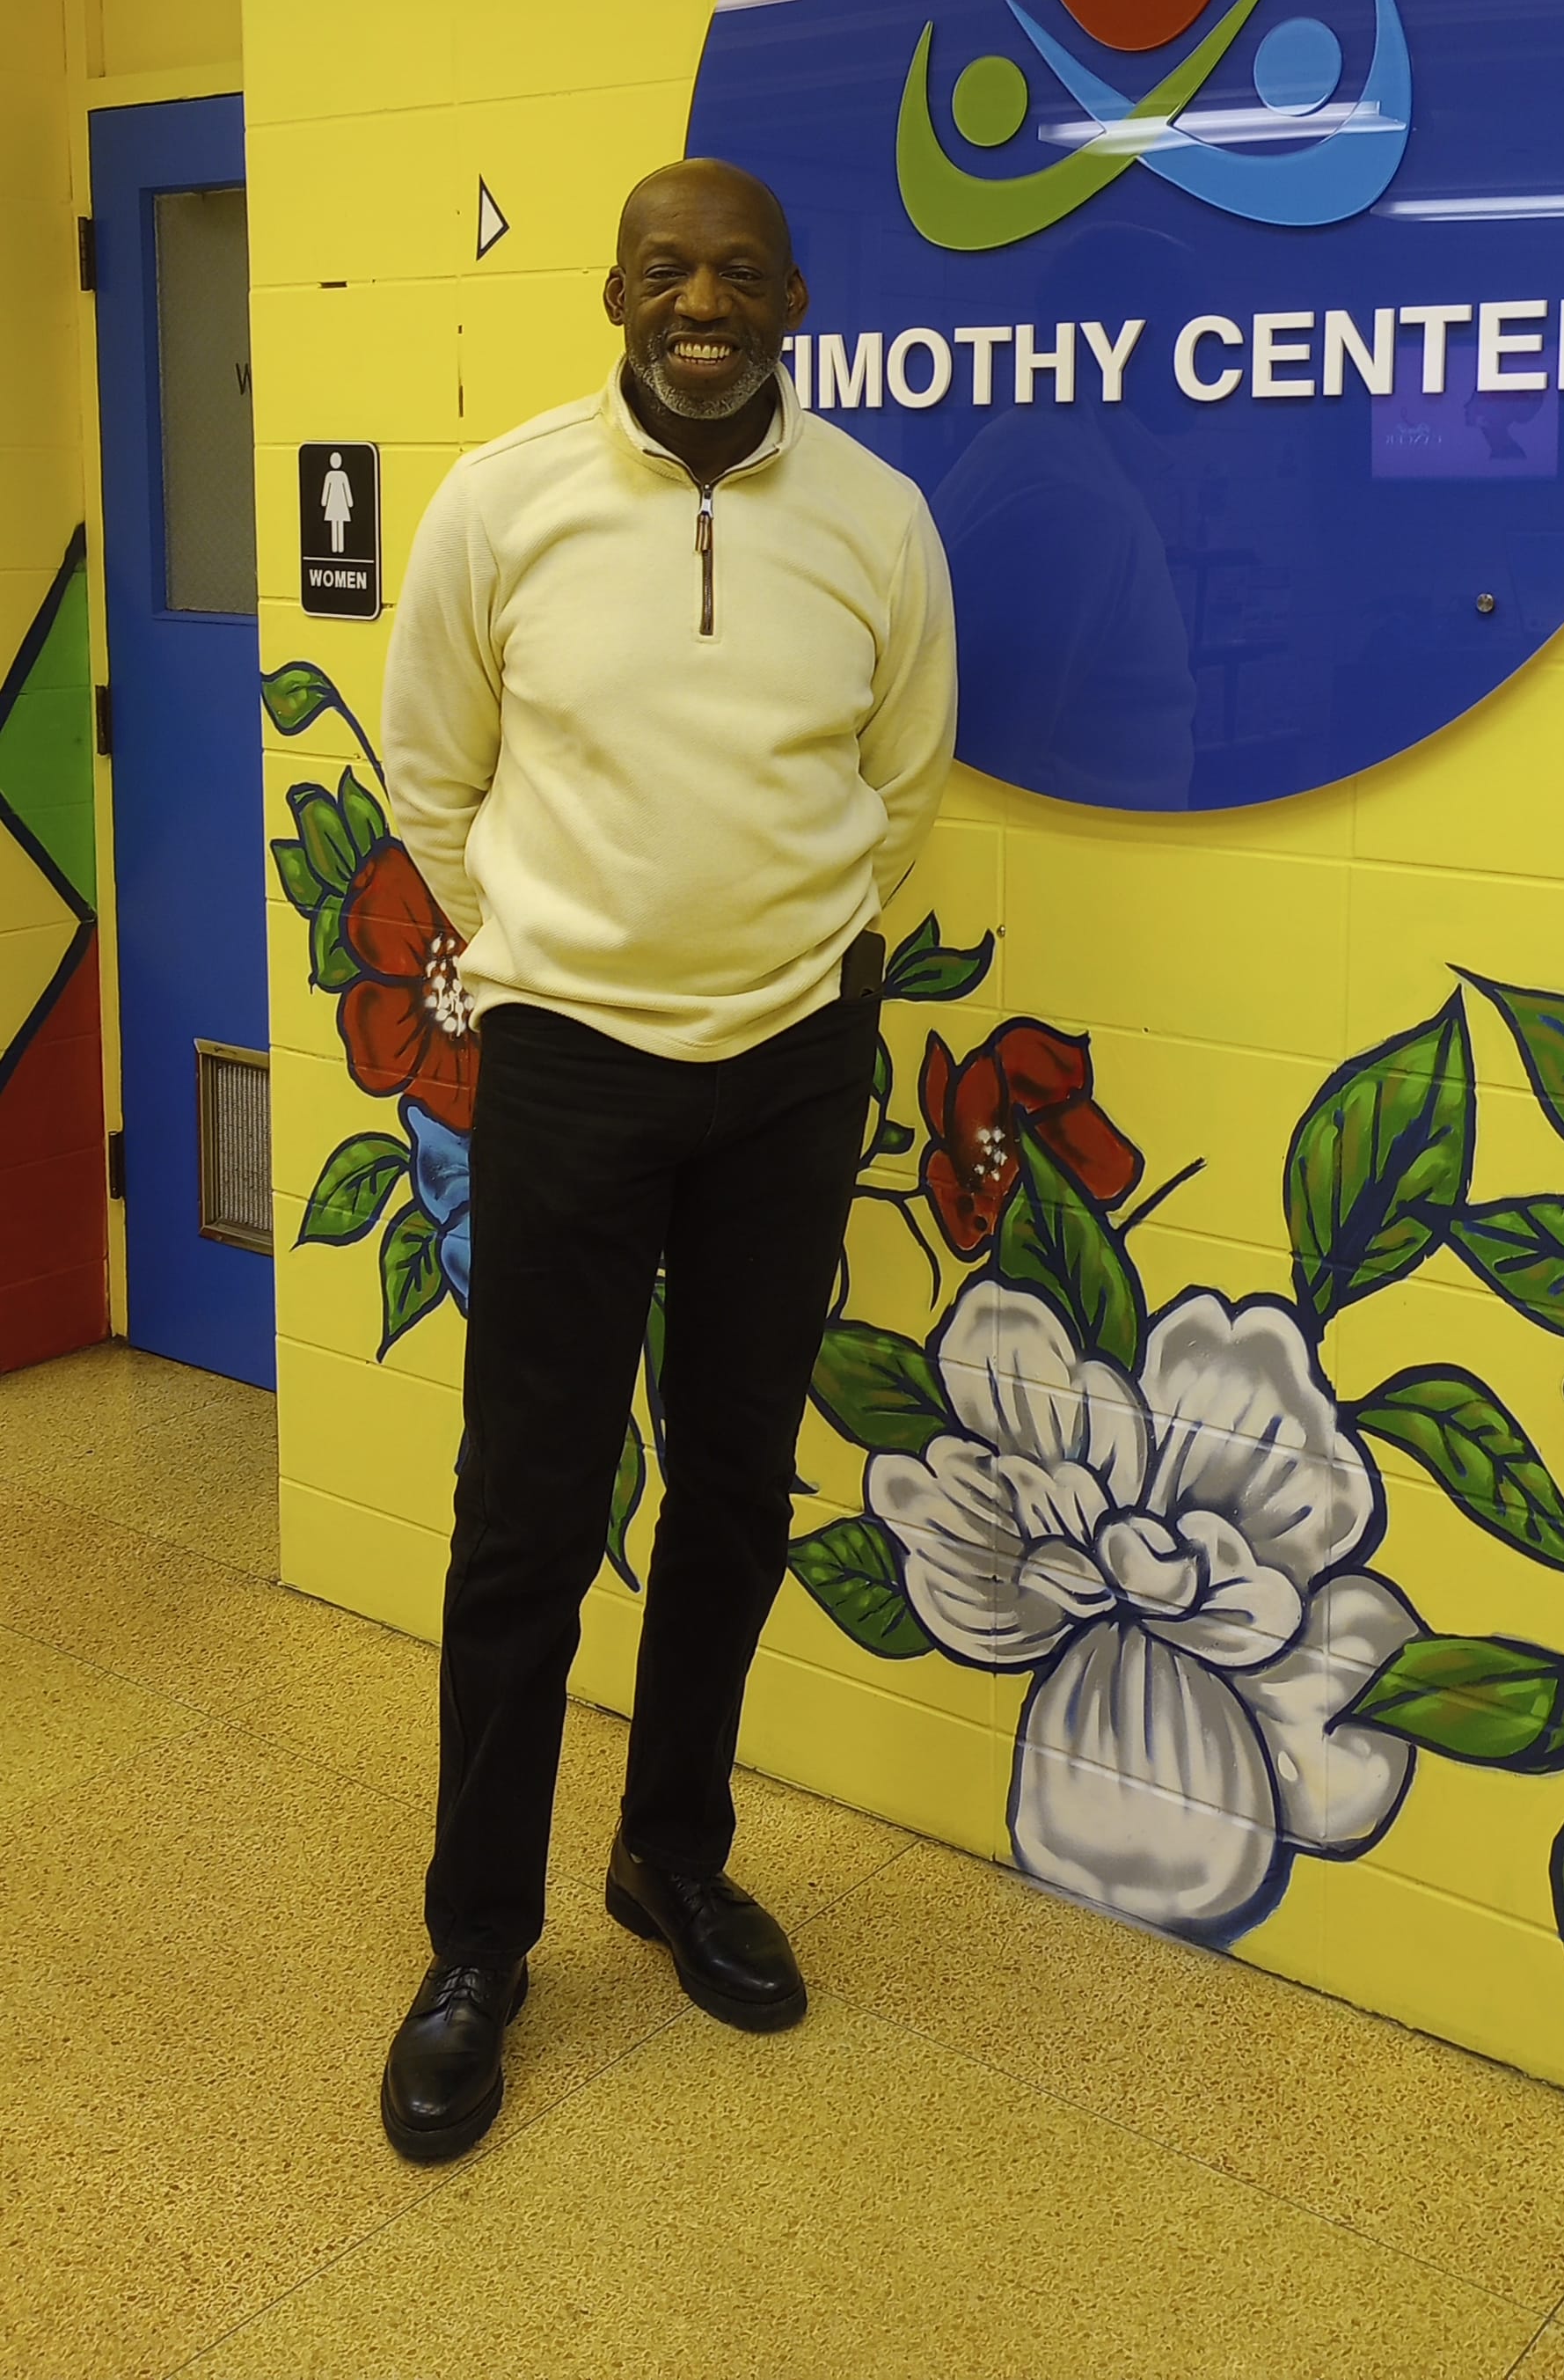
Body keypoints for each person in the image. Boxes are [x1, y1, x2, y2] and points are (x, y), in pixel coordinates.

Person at [376, 157, 956, 2162]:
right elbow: (432, 773)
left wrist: (792, 963)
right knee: (523, 1513)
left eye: (735, 273)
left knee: (729, 1486)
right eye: (660, 269)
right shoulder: (502, 503)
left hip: (790, 1076)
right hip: (568, 1070)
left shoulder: (876, 517)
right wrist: (553, 943)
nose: (696, 301)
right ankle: (476, 1944)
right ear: (613, 290)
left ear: (793, 297)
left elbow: (903, 787)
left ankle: (671, 1857)